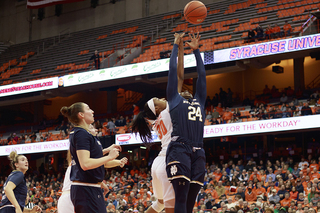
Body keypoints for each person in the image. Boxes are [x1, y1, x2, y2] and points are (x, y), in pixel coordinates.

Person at [131, 33, 187, 213]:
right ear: (156, 107)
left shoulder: (158, 120)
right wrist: (177, 47)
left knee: (160, 204)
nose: (161, 97)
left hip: (158, 163)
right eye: (157, 98)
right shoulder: (169, 109)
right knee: (172, 207)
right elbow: (178, 76)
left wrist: (180, 49)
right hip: (168, 162)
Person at [166, 31, 207, 213]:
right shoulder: (174, 98)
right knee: (181, 198)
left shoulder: (199, 99)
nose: (186, 90)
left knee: (191, 201)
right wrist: (176, 46)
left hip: (198, 150)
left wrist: (197, 51)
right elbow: (173, 72)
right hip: (179, 148)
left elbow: (202, 76)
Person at [60, 102, 121, 213]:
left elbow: (92, 157)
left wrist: (106, 150)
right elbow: (85, 164)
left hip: (89, 188)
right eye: (88, 108)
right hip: (85, 188)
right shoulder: (81, 133)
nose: (92, 111)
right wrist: (109, 157)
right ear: (81, 115)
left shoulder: (84, 133)